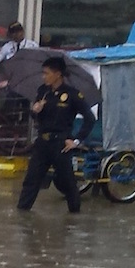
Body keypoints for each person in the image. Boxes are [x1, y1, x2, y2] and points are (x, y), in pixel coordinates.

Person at [17, 55, 93, 214]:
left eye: (46, 73)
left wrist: (76, 140)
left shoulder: (72, 95)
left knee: (67, 182)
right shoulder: (43, 91)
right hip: (42, 143)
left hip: (60, 145)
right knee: (31, 180)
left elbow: (89, 119)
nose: (43, 76)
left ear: (58, 74)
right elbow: (36, 116)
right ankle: (22, 212)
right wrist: (35, 110)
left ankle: (74, 215)